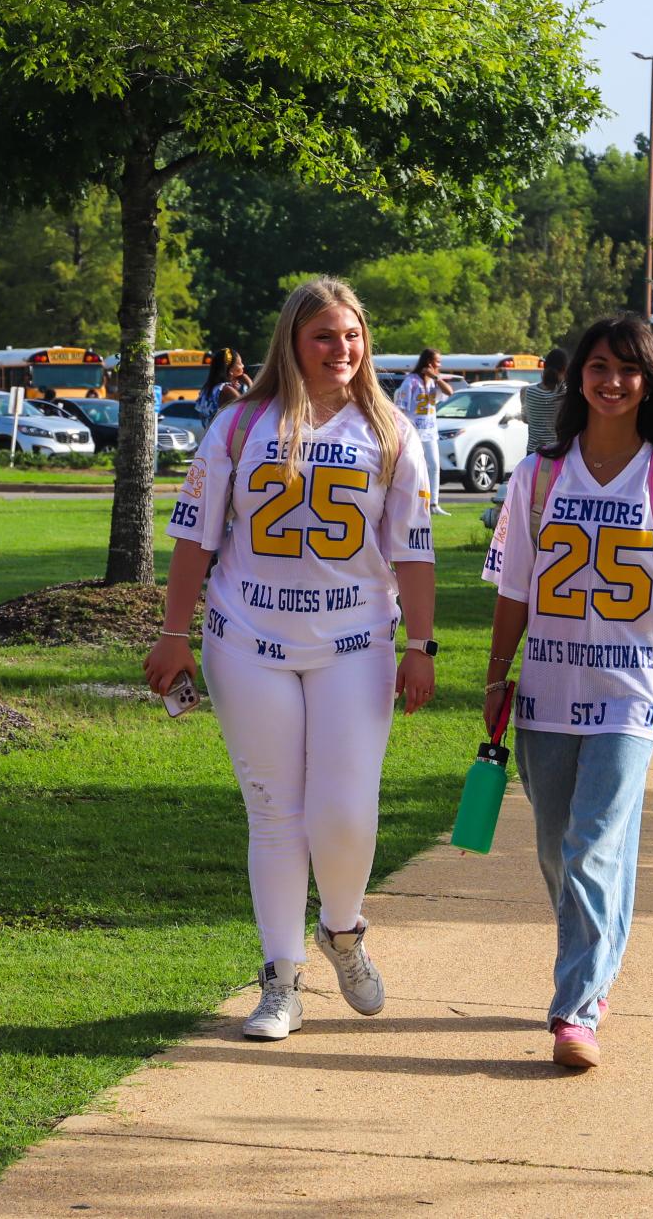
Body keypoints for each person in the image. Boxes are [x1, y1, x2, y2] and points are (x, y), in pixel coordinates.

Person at [145, 277, 436, 1042]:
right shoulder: (240, 426)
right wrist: (173, 631)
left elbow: (412, 553)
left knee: (344, 811)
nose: (341, 350)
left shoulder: (393, 430)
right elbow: (193, 537)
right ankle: (279, 980)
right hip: (247, 641)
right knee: (275, 814)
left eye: (351, 336)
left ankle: (341, 932)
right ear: (291, 343)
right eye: (323, 337)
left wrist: (421, 646)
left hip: (355, 643)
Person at [480, 313, 653, 1069]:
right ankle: (600, 965)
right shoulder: (538, 475)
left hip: (632, 691)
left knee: (589, 846)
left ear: (649, 381)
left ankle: (574, 1009)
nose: (612, 382)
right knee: (558, 848)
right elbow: (513, 587)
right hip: (547, 687)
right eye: (598, 368)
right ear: (576, 377)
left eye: (627, 369)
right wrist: (495, 676)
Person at [392, 348, 453, 515]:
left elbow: (449, 392)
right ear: (428, 362)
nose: (439, 364)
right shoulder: (411, 381)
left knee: (433, 466)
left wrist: (434, 376)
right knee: (411, 466)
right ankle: (411, 503)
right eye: (437, 361)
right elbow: (401, 408)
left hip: (430, 431)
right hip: (413, 432)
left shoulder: (435, 382)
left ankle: (433, 504)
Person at [521, 347, 569, 455]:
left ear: (544, 366)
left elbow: (525, 419)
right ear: (565, 370)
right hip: (556, 453)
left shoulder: (527, 391)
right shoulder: (565, 394)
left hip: (533, 454)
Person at [196, 346, 251, 423]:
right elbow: (250, 413)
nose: (243, 366)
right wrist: (249, 383)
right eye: (240, 363)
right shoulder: (226, 390)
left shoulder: (208, 389)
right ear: (231, 370)